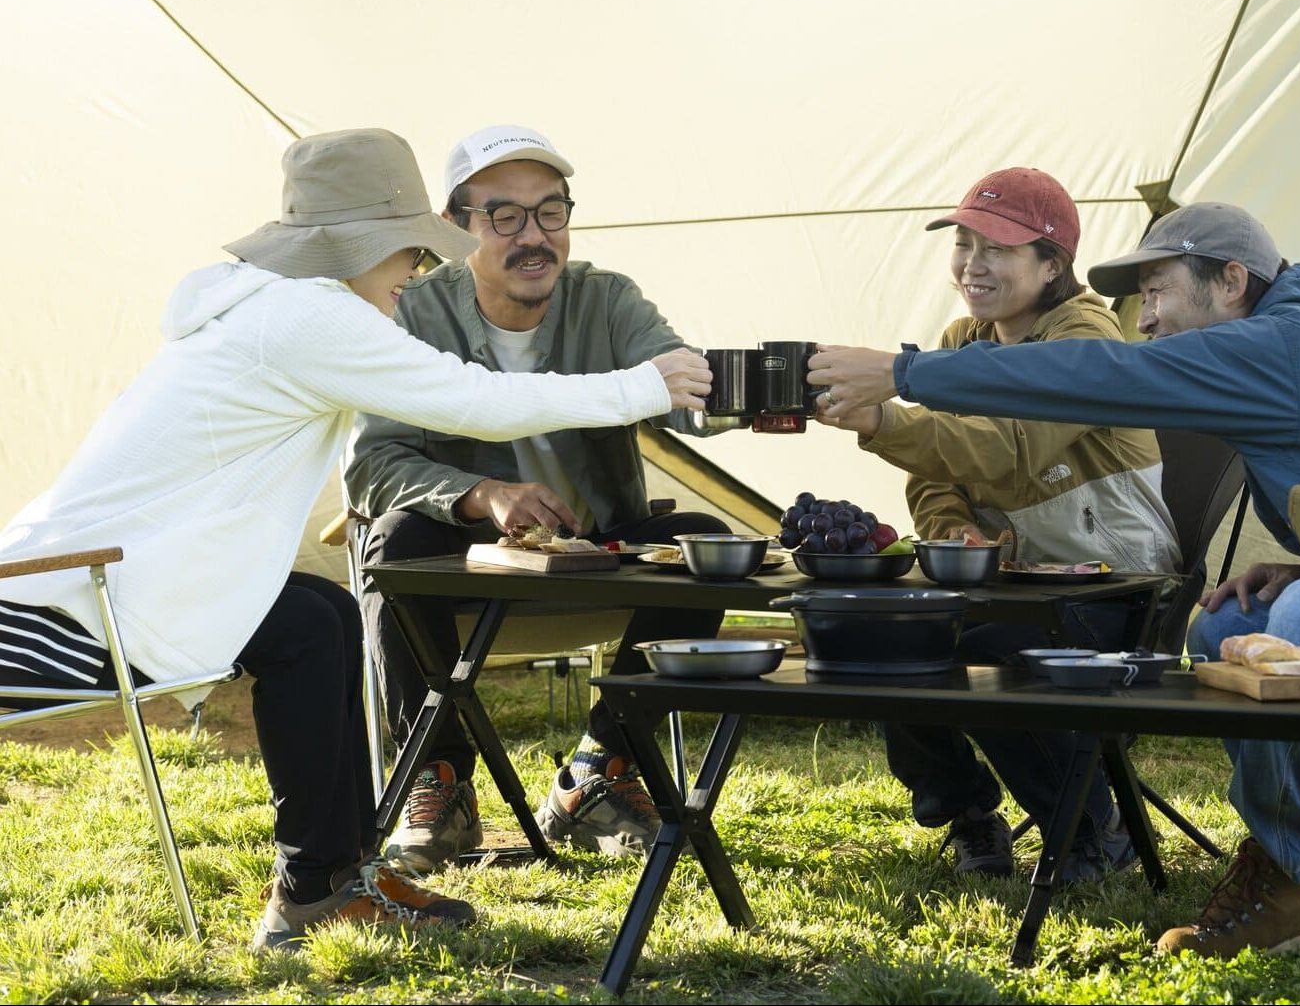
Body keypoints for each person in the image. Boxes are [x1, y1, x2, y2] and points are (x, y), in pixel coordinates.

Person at [0, 128, 709, 952]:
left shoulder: (264, 302)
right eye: (407, 246)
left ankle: (325, 883)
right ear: (356, 245)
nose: (416, 266)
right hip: (65, 612)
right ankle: (319, 886)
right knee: (310, 626)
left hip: (92, 577)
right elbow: (471, 400)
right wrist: (641, 386)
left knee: (321, 616)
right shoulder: (309, 316)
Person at [811, 201, 1300, 957]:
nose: (1142, 318)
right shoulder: (1285, 348)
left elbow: (1104, 372)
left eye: (1159, 291)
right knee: (1227, 626)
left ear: (1230, 280)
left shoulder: (1281, 346)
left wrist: (903, 372)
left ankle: (1293, 875)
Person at [347, 123, 733, 872]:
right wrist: (479, 494)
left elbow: (682, 388)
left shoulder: (607, 299)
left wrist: (743, 391)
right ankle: (441, 776)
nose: (534, 236)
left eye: (549, 211)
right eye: (504, 216)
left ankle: (600, 768)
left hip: (597, 551)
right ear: (458, 228)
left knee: (706, 542)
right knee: (390, 541)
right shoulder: (412, 311)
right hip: (466, 561)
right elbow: (372, 464)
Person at [814, 167, 1177, 882]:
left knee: (991, 655)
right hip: (1017, 580)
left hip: (1117, 589)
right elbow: (937, 474)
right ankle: (968, 813)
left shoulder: (1085, 338)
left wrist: (882, 416)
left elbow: (1011, 454)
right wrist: (949, 526)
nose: (972, 264)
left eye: (997, 249)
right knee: (877, 635)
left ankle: (1090, 830)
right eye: (964, 244)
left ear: (1052, 264)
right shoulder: (962, 338)